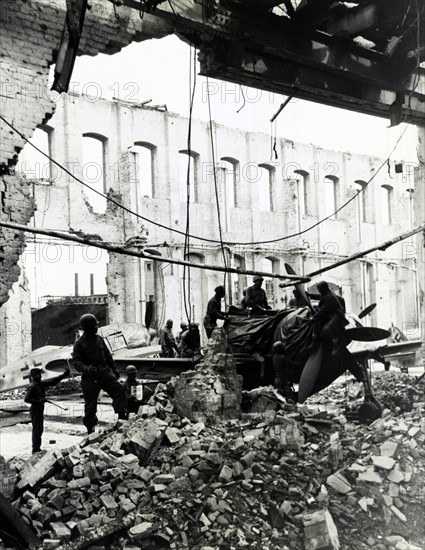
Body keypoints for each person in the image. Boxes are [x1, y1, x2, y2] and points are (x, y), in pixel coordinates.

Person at [72, 313, 128, 434]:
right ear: (87, 328)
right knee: (91, 405)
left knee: (119, 390)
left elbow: (107, 355)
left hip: (104, 373)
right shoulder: (79, 343)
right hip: (90, 377)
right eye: (94, 326)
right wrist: (86, 369)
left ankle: (122, 418)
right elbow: (76, 361)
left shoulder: (99, 339)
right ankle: (90, 431)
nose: (96, 328)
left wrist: (114, 369)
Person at [24, 367, 70, 453]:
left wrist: (63, 375)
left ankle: (37, 448)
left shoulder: (40, 384)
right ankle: (35, 449)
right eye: (38, 374)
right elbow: (26, 399)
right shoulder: (33, 386)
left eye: (40, 374)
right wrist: (39, 401)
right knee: (37, 429)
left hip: (39, 409)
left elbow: (53, 382)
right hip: (35, 410)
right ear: (34, 376)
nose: (40, 376)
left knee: (39, 429)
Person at [307, 281, 347, 354]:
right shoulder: (325, 293)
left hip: (336, 313)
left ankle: (336, 344)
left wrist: (315, 316)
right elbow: (319, 296)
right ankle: (315, 341)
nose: (319, 291)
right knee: (316, 321)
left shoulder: (330, 296)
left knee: (331, 325)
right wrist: (310, 295)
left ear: (324, 288)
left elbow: (324, 309)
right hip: (329, 312)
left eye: (320, 289)